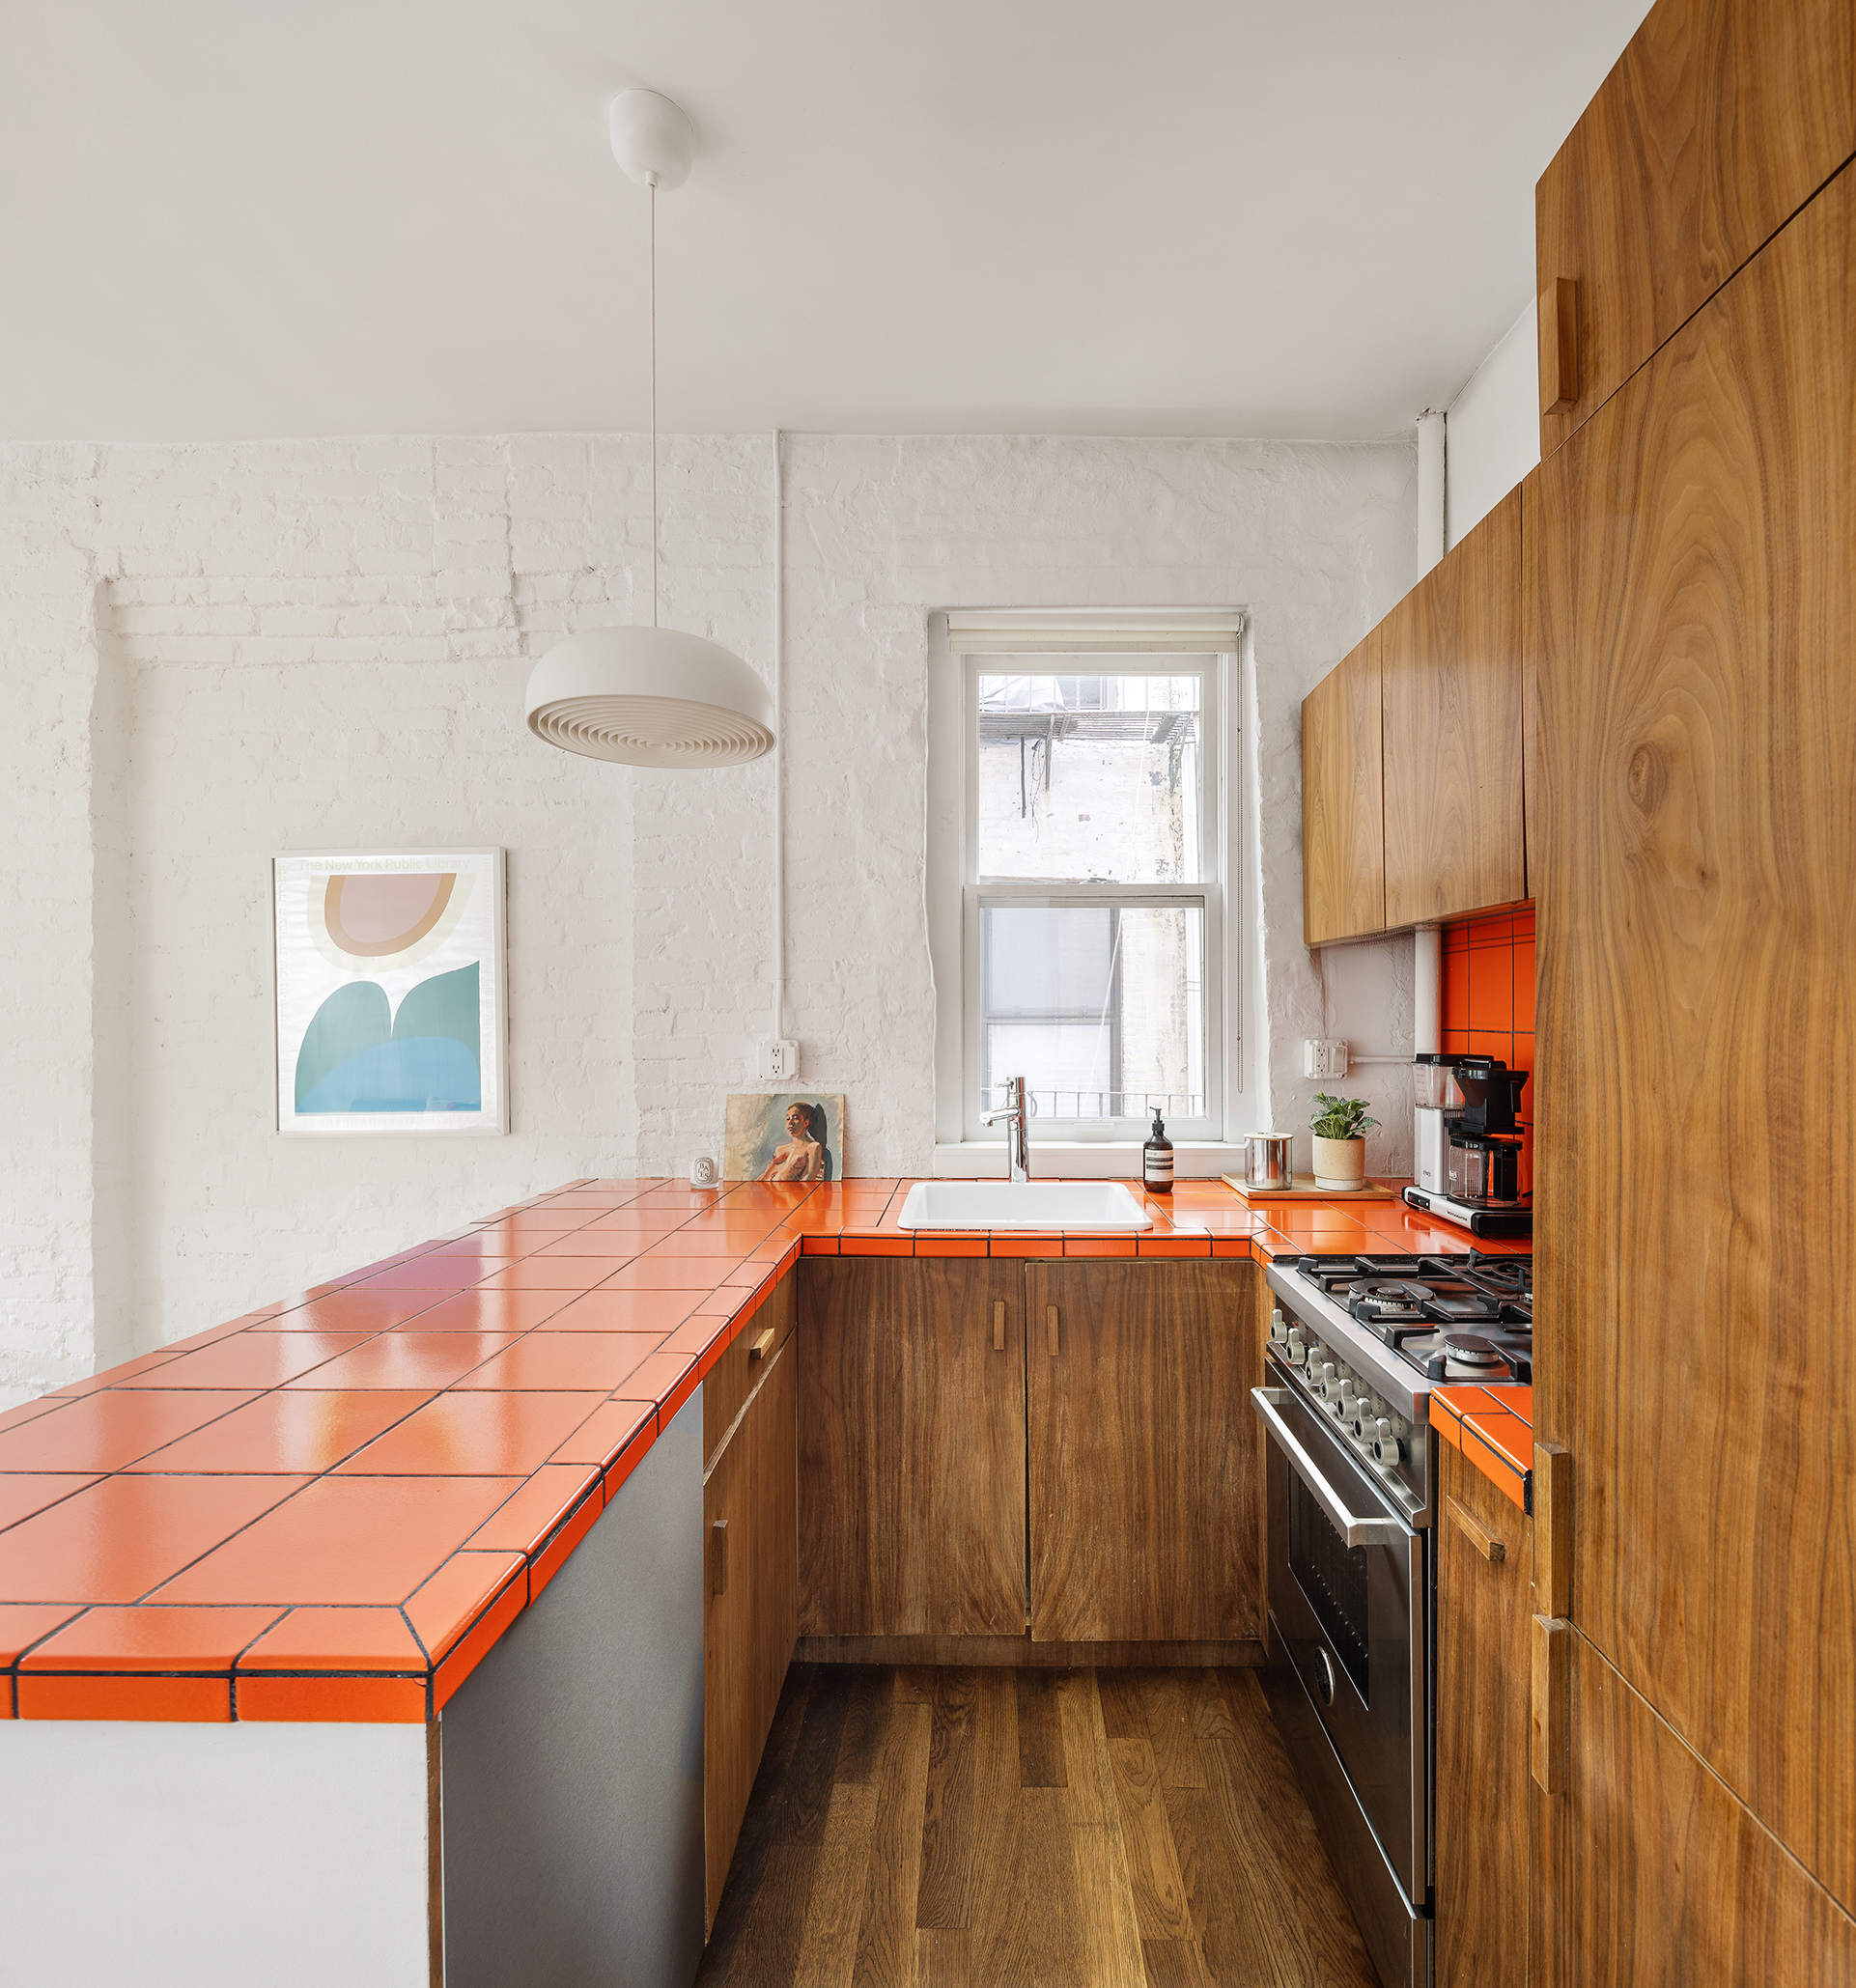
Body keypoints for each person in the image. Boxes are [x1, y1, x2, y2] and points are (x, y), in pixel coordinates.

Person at [761, 1101, 830, 1183]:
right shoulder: (780, 1149)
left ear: (806, 1122)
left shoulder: (813, 1147)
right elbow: (764, 1176)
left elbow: (806, 1180)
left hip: (788, 1193)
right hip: (767, 1190)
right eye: (788, 1118)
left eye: (796, 1118)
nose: (790, 1123)